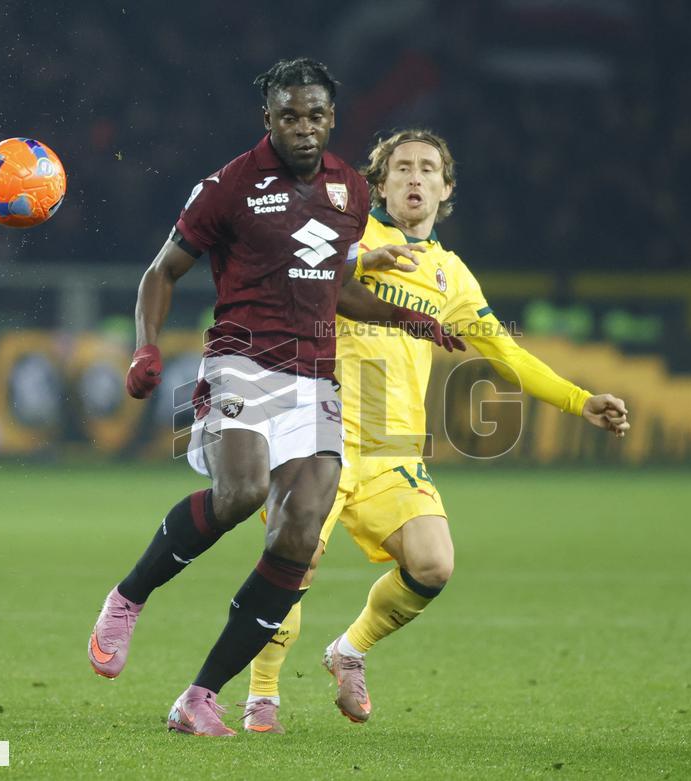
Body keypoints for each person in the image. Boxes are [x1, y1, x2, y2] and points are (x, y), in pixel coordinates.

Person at [86, 62, 463, 738]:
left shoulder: (348, 190)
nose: (304, 127)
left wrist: (407, 318)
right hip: (241, 363)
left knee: (297, 537)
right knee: (243, 493)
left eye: (316, 115)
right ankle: (128, 596)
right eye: (290, 116)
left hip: (315, 378)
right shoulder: (228, 186)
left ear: (331, 118)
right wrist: (144, 348)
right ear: (269, 118)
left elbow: (330, 285)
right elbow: (160, 272)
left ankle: (200, 695)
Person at [241, 129, 630, 733]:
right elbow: (284, 271)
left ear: (447, 189)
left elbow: (507, 355)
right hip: (316, 436)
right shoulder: (347, 233)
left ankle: (349, 650)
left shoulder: (452, 276)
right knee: (297, 562)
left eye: (428, 169)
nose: (415, 178)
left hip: (392, 452)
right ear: (380, 183)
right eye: (401, 169)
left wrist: (581, 402)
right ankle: (261, 695)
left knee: (433, 564)